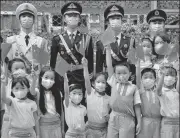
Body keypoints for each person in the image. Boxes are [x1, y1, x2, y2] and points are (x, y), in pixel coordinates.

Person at [50, 2, 94, 100]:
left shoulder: (86, 38)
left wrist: (89, 79)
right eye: (69, 15)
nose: (72, 18)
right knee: (64, 102)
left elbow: (90, 61)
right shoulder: (57, 39)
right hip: (63, 76)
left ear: (79, 18)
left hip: (81, 76)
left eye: (75, 15)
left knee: (81, 103)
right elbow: (52, 63)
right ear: (64, 19)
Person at [105, 44, 141, 138]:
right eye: (119, 73)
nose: (122, 75)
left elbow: (137, 106)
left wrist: (139, 122)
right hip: (113, 117)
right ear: (115, 75)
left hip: (127, 120)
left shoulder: (133, 87)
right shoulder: (114, 82)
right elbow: (109, 65)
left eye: (124, 73)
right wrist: (108, 50)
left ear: (129, 74)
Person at [96, 4, 136, 84]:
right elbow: (99, 64)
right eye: (112, 18)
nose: (115, 20)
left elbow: (132, 62)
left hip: (125, 77)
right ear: (108, 21)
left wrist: (133, 75)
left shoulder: (130, 40)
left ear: (122, 20)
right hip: (110, 78)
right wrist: (99, 79)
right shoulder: (101, 42)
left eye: (118, 18)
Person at [6, 3, 48, 74]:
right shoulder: (10, 40)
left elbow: (44, 65)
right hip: (17, 82)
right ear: (19, 19)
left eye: (29, 16)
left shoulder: (41, 41)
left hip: (35, 81)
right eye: (23, 16)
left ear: (34, 20)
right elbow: (7, 65)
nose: (26, 19)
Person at [1, 73, 39, 138]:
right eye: (16, 88)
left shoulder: (32, 103)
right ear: (12, 90)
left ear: (28, 89)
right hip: (14, 133)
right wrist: (3, 83)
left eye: (22, 88)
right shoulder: (12, 101)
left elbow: (36, 120)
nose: (19, 90)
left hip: (30, 133)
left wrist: (38, 134)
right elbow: (3, 98)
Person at [82, 57, 110, 138]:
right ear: (93, 84)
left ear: (106, 85)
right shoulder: (90, 93)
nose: (100, 84)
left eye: (103, 82)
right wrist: (85, 67)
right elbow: (86, 80)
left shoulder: (109, 98)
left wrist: (109, 117)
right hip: (90, 130)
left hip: (103, 130)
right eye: (98, 82)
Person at [1, 58, 29, 138]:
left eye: (22, 68)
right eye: (16, 68)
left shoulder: (28, 83)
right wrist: (3, 83)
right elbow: (4, 98)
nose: (20, 70)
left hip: (25, 122)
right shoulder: (8, 83)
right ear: (10, 72)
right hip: (10, 122)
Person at [35, 66, 64, 138]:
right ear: (41, 77)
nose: (49, 80)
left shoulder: (58, 93)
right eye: (46, 77)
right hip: (43, 127)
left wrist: (62, 129)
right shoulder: (37, 92)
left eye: (52, 78)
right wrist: (38, 134)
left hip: (57, 126)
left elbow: (62, 112)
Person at [136, 67, 162, 138]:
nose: (148, 79)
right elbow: (137, 76)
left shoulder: (158, 92)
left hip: (158, 122)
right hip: (145, 122)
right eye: (145, 77)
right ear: (141, 80)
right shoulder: (140, 91)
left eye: (151, 77)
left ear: (155, 80)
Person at [157, 66, 179, 138]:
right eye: (167, 75)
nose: (169, 77)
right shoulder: (162, 91)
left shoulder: (176, 91)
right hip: (167, 121)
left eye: (172, 75)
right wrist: (163, 75)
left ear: (175, 78)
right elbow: (158, 89)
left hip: (177, 121)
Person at [64, 72, 86, 138]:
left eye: (79, 94)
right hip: (71, 134)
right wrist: (65, 79)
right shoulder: (68, 105)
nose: (77, 95)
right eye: (74, 93)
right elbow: (66, 92)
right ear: (69, 95)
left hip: (82, 134)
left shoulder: (83, 108)